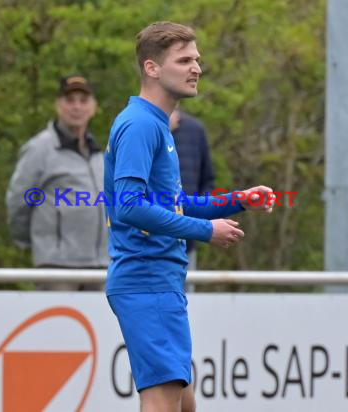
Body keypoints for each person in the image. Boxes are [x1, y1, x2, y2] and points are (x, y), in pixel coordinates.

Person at [104, 21, 275, 411]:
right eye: (184, 60)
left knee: (184, 405)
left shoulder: (156, 125)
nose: (196, 67)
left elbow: (172, 203)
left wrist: (239, 200)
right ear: (152, 68)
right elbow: (129, 207)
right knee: (163, 403)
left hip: (158, 281)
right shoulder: (140, 125)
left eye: (196, 59)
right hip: (147, 279)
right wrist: (205, 231)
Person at [6, 75, 108, 290]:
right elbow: (18, 201)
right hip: (57, 266)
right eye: (70, 100)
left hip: (101, 265)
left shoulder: (100, 154)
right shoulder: (39, 149)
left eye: (83, 100)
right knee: (58, 324)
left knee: (103, 324)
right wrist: (38, 243)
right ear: (58, 105)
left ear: (93, 107)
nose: (77, 107)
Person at [170, 109, 215, 270]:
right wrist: (161, 130)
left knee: (188, 293)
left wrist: (199, 218)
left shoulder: (195, 129)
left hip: (188, 241)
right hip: (148, 245)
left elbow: (207, 181)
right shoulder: (137, 127)